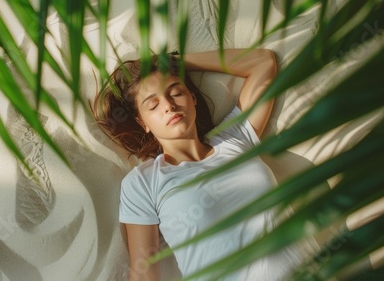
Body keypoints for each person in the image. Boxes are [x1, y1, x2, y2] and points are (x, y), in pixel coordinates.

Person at [93, 50, 304, 280]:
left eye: (175, 92)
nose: (168, 105)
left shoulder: (236, 138)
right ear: (142, 122)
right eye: (153, 105)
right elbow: (145, 274)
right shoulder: (143, 182)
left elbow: (263, 63)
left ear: (192, 97)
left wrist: (175, 62)